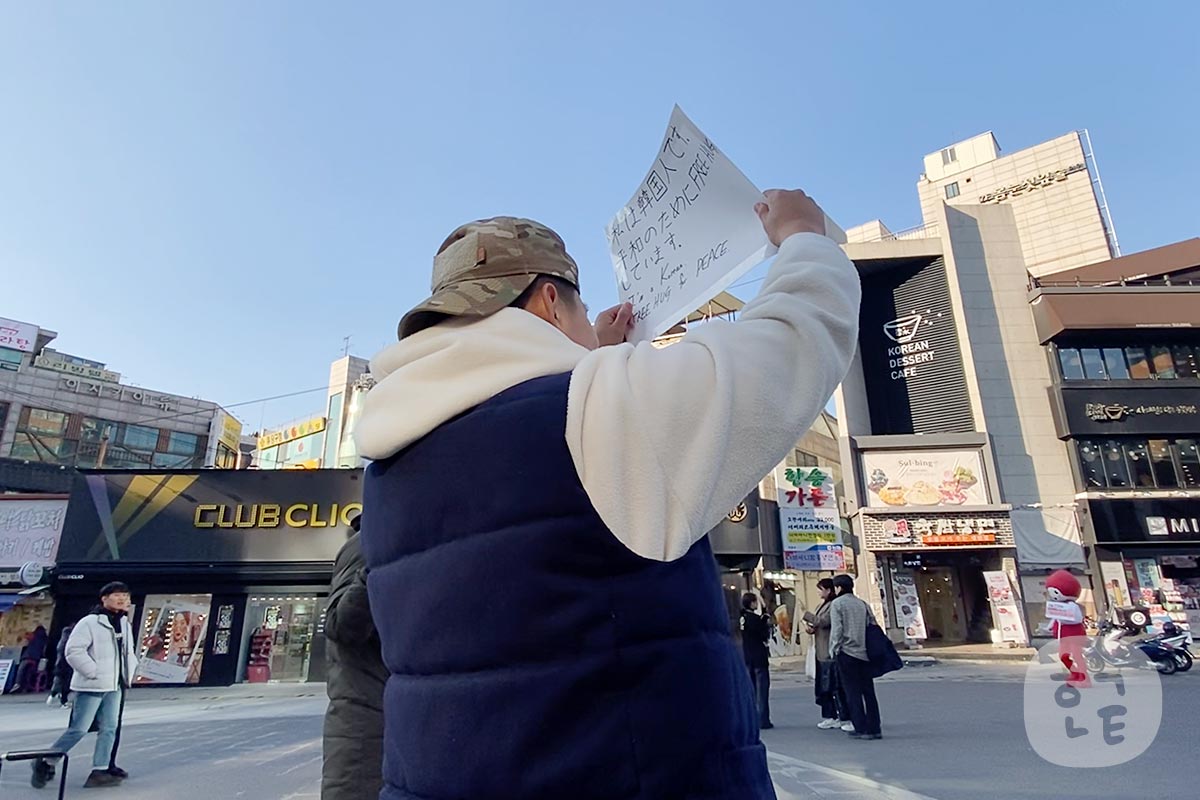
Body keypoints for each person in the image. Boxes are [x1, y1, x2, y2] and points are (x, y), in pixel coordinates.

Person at [355, 190, 860, 799]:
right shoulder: (596, 410)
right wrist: (805, 241)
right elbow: (791, 345)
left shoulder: (387, 467)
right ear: (548, 299)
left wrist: (593, 363)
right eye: (578, 305)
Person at [32, 582, 140, 789]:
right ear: (104, 598)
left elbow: (128, 651)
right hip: (91, 685)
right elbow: (74, 651)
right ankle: (46, 760)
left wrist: (129, 672)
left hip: (115, 685)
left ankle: (100, 770)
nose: (123, 600)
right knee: (78, 729)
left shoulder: (124, 623)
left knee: (109, 728)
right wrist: (93, 672)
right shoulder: (89, 622)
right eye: (117, 595)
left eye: (126, 596)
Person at [322, 514, 387, 800]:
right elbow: (342, 624)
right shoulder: (369, 543)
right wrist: (383, 562)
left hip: (383, 713)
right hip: (364, 724)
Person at [828, 574, 882, 740]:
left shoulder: (837, 604)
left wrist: (834, 649)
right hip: (864, 652)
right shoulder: (862, 604)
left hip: (847, 652)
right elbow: (872, 624)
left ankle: (861, 727)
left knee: (852, 692)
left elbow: (837, 630)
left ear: (838, 588)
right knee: (868, 691)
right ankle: (874, 727)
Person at [807, 578, 848, 730]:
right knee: (823, 687)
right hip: (820, 649)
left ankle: (840, 715)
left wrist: (806, 615)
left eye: (820, 588)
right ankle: (829, 715)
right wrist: (811, 628)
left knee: (833, 686)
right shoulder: (821, 605)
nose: (818, 592)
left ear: (829, 590)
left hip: (829, 651)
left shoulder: (833, 605)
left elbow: (824, 622)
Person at [740, 592, 774, 730]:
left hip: (746, 656)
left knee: (751, 690)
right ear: (752, 603)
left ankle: (751, 718)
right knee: (762, 690)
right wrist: (765, 617)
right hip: (759, 656)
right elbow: (764, 634)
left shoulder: (741, 618)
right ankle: (763, 719)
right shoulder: (755, 619)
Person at [48, 624, 76, 707]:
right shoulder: (69, 641)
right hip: (66, 665)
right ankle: (63, 700)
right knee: (65, 683)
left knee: (59, 681)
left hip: (60, 665)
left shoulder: (62, 641)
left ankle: (53, 695)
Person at [14, 625, 49, 693]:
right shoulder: (44, 638)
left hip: (28, 656)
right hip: (36, 658)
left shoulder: (34, 636)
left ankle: (18, 684)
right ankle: (26, 686)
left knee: (22, 670)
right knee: (29, 672)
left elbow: (25, 636)